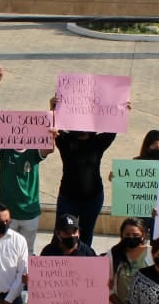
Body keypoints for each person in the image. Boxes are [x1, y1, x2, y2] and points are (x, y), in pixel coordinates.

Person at [49, 95, 117, 247]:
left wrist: (120, 108)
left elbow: (114, 127)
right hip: (68, 197)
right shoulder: (65, 140)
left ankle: (83, 266)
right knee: (60, 235)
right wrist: (53, 108)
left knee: (86, 236)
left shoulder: (98, 142)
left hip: (93, 198)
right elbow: (54, 127)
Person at [0, 118, 51, 253]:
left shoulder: (34, 151)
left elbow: (49, 148)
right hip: (8, 215)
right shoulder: (5, 149)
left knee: (28, 251)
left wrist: (51, 134)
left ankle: (26, 274)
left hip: (30, 213)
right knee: (6, 250)